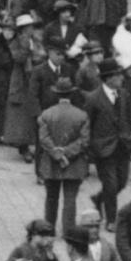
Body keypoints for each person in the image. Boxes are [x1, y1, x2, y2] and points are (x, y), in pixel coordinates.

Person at [34, 81, 93, 230]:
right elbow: (84, 141)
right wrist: (66, 152)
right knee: (70, 198)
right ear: (71, 94)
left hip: (51, 163)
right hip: (74, 163)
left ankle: (49, 228)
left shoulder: (46, 114)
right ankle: (68, 230)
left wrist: (57, 153)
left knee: (51, 197)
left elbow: (43, 139)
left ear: (56, 94)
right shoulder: (81, 115)